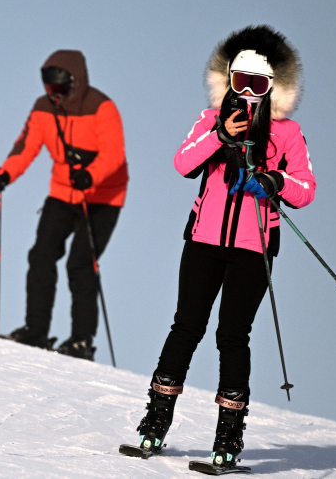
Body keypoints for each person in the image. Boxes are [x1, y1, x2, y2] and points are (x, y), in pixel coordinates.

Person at [131, 26, 315, 468]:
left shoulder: (288, 133)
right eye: (240, 83)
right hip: (203, 242)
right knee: (186, 326)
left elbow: (306, 189)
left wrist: (274, 180)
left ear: (274, 88)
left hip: (254, 249)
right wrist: (220, 135)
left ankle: (228, 438)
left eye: (259, 86)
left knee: (232, 337)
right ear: (227, 81)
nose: (248, 94)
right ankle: (155, 425)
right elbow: (182, 162)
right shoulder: (207, 120)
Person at [0, 50, 128, 361]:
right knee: (41, 255)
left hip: (102, 198)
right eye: (49, 89)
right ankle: (35, 330)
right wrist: (5, 173)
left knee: (80, 264)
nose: (55, 96)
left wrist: (90, 175)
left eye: (60, 90)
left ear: (76, 84)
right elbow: (26, 146)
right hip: (63, 193)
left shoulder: (102, 108)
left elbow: (114, 155)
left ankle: (81, 341)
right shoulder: (43, 110)